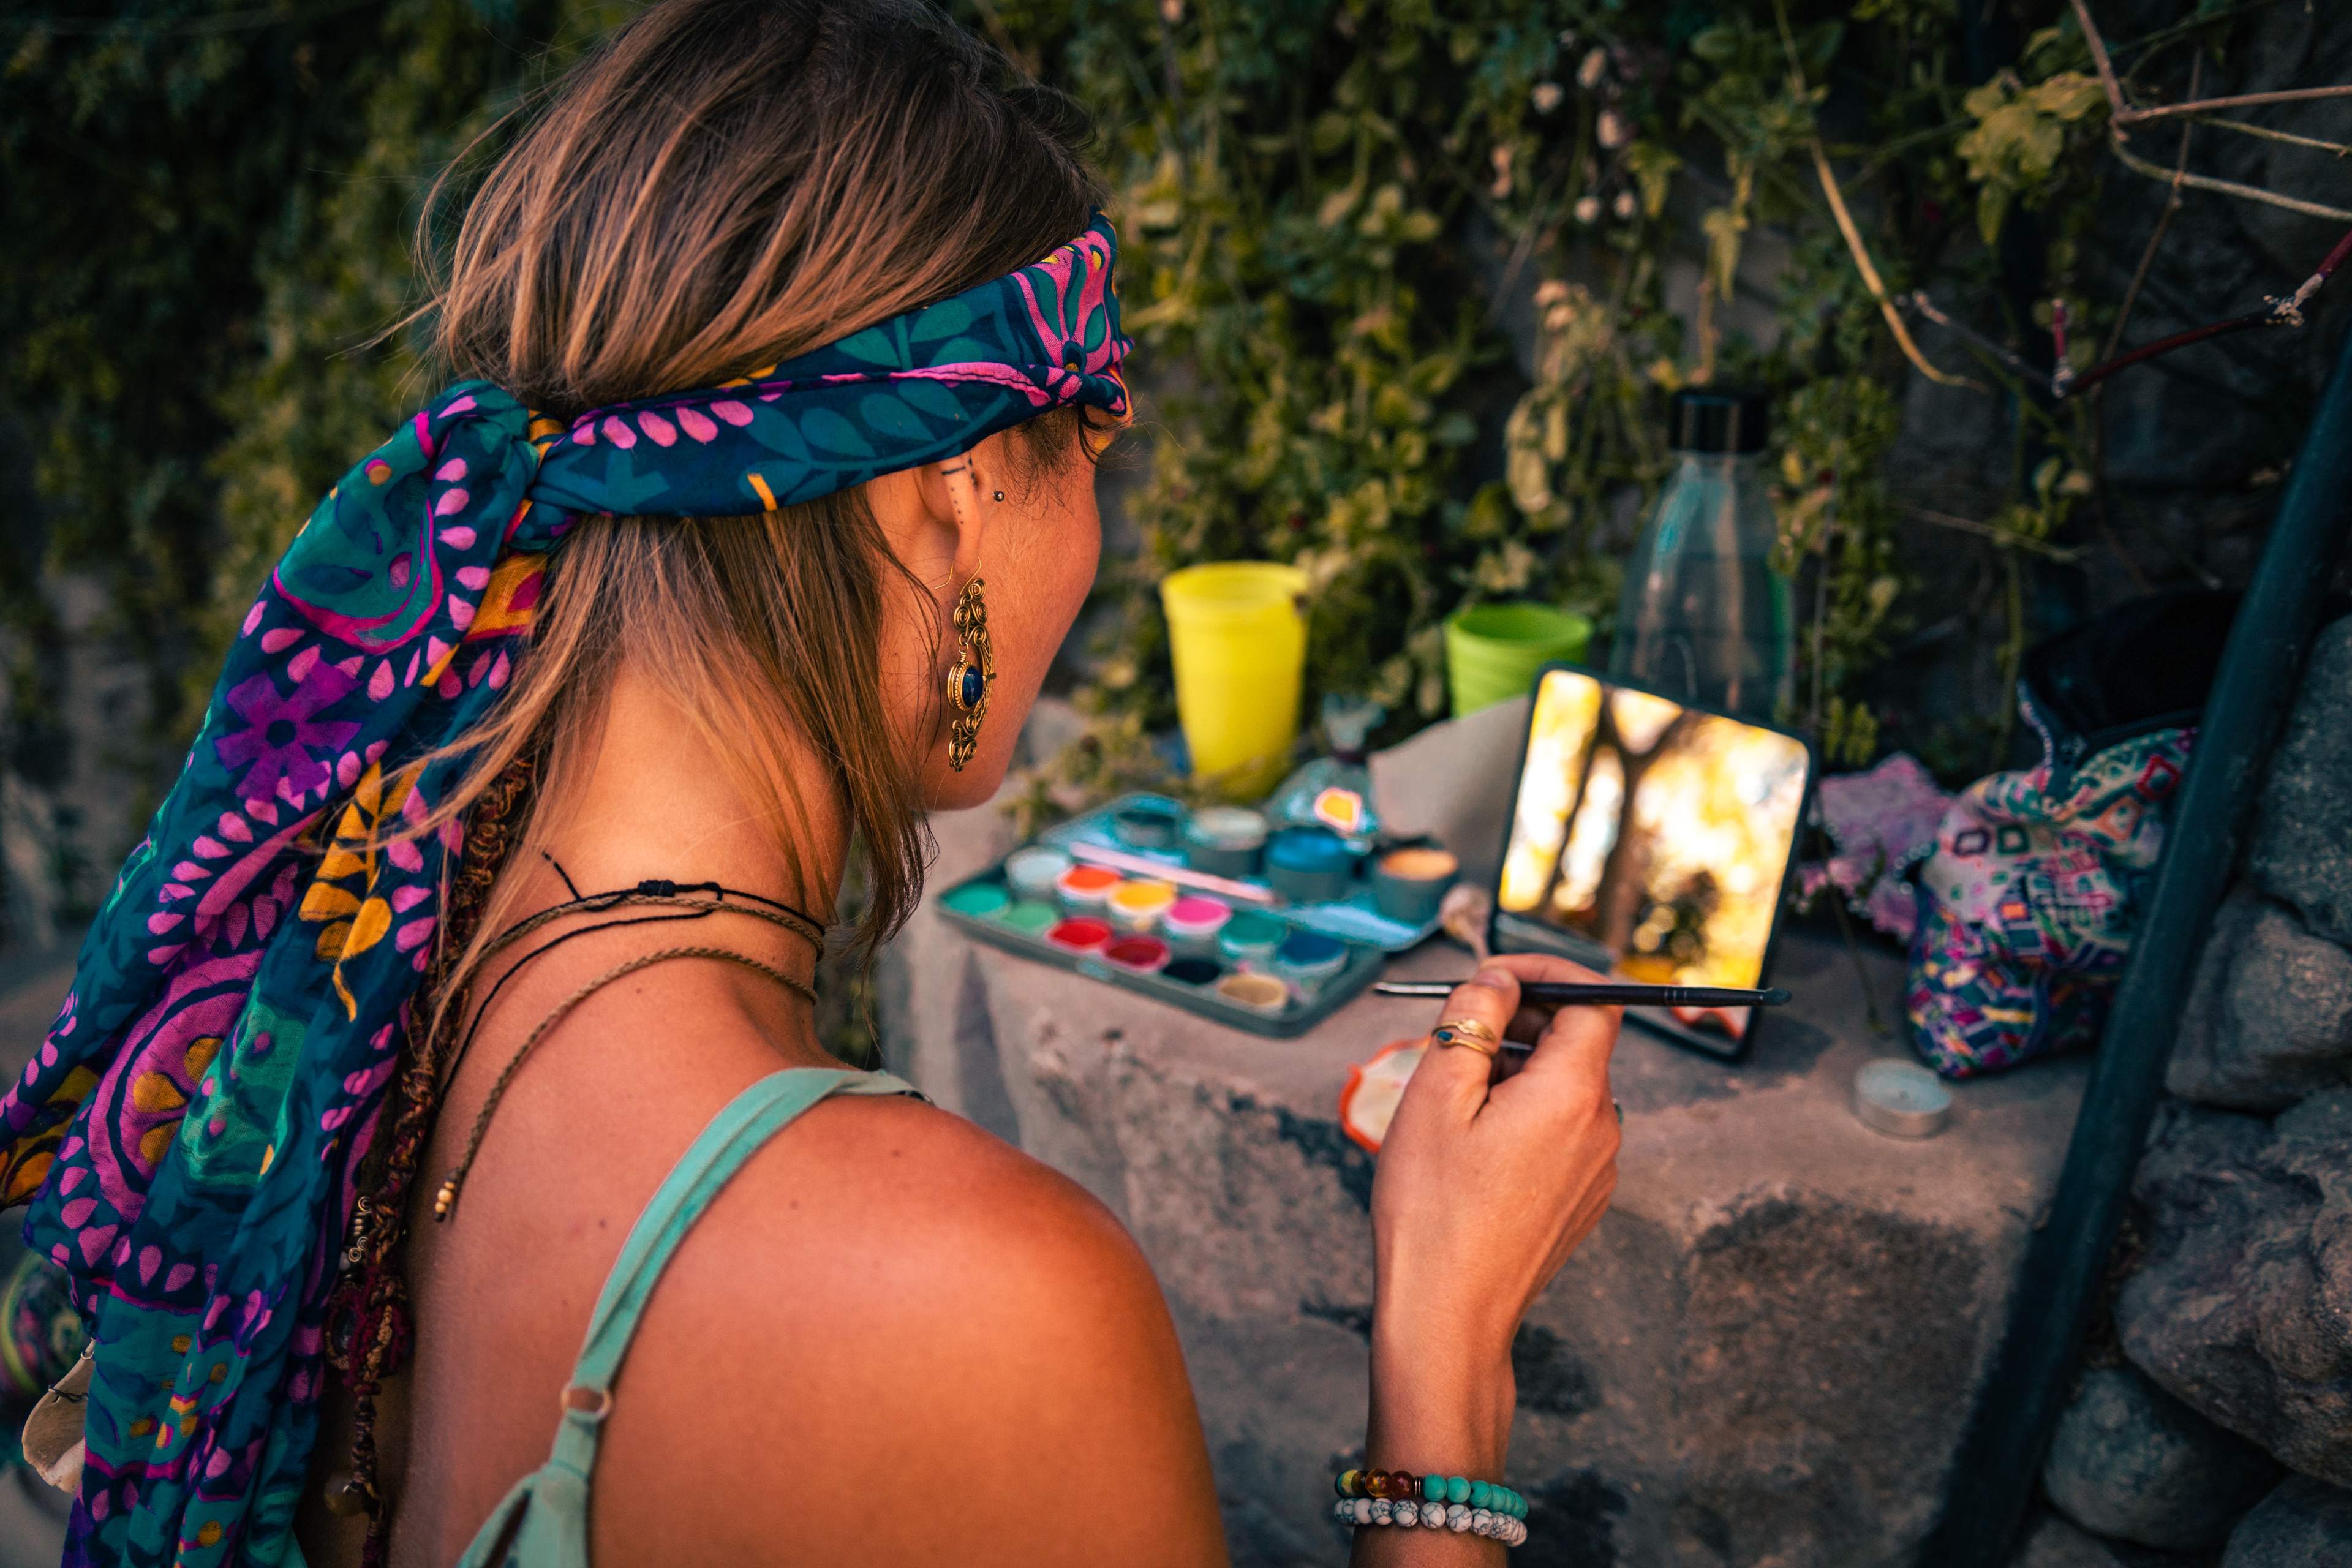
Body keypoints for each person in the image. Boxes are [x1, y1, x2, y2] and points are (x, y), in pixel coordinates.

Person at [0, 1, 1623, 1564]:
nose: (1096, 532)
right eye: (1096, 448)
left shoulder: (354, 998)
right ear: (956, 491)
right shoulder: (970, 1298)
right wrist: (1447, 1351)